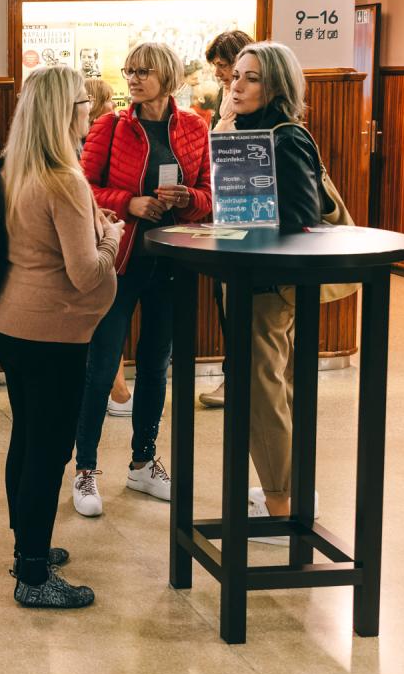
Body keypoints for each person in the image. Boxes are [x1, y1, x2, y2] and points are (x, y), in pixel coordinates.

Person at [0, 65, 122, 607]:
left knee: (27, 438)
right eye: (84, 102)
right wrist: (111, 237)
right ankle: (35, 578)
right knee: (49, 451)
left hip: (8, 322)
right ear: (67, 112)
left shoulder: (13, 168)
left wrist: (91, 226)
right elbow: (86, 273)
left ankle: (28, 546)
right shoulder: (64, 179)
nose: (91, 110)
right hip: (52, 332)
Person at [71, 42, 212, 517]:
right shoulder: (110, 126)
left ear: (167, 76)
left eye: (142, 71)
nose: (132, 79)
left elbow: (209, 194)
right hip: (120, 262)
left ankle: (143, 462)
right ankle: (85, 468)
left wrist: (187, 198)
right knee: (100, 366)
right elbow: (83, 189)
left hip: (171, 262)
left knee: (155, 366)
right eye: (129, 71)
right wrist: (129, 203)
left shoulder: (194, 127)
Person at [228, 41, 324, 540]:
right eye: (235, 75)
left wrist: (254, 226)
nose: (236, 85)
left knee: (261, 393)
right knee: (270, 387)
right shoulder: (248, 131)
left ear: (277, 86)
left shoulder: (284, 139)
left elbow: (304, 219)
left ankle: (281, 505)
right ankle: (286, 494)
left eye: (251, 78)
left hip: (269, 285)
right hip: (255, 281)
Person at [197, 29, 253, 409]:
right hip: (227, 211)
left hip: (246, 214)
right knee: (227, 300)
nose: (218, 73)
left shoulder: (247, 105)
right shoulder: (226, 97)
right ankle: (235, 378)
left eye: (222, 65)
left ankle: (237, 380)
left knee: (240, 304)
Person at [84, 79, 133, 418]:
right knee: (107, 322)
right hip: (98, 248)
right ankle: (117, 392)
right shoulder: (95, 143)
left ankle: (113, 391)